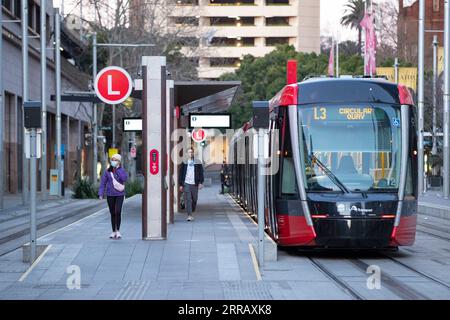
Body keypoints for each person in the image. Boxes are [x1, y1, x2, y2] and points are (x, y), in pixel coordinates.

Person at [98, 153, 128, 239]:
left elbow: (124, 179)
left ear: (119, 162)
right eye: (112, 160)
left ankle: (118, 231)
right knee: (112, 213)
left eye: (115, 160)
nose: (113, 161)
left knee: (118, 212)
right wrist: (101, 193)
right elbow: (103, 183)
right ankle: (113, 231)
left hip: (120, 194)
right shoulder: (107, 172)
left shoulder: (122, 170)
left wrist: (117, 170)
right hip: (110, 194)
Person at [179, 148, 204, 221]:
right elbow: (181, 173)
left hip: (195, 184)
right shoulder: (184, 162)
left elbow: (201, 172)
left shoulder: (197, 162)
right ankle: (189, 215)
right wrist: (180, 184)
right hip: (186, 183)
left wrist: (201, 183)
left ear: (193, 153)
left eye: (191, 152)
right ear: (187, 154)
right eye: (189, 152)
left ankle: (192, 210)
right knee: (188, 199)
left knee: (194, 199)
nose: (190, 154)